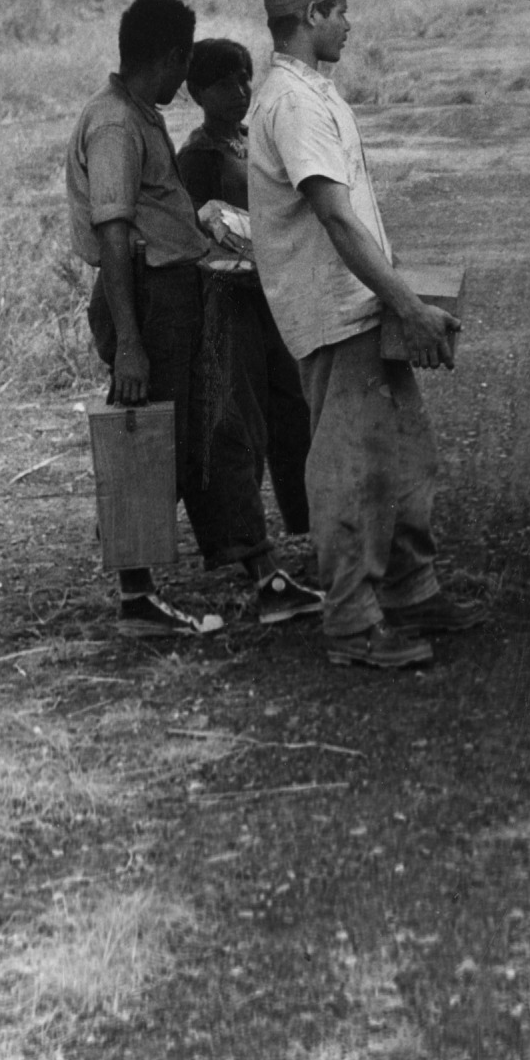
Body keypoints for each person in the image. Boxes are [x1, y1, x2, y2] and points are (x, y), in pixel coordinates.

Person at [247, 0, 488, 671]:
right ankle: (351, 623)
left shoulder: (310, 92)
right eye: (340, 11)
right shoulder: (294, 104)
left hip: (360, 305)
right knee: (354, 474)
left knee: (405, 456)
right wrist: (408, 306)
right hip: (338, 312)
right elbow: (335, 217)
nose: (349, 24)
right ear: (312, 15)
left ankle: (412, 590)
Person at [66, 0, 282, 636]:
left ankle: (261, 572)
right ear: (168, 58)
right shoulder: (114, 123)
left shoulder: (139, 113)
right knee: (145, 440)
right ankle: (137, 598)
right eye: (183, 64)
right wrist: (131, 344)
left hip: (178, 293)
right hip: (149, 299)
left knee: (211, 432)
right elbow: (113, 233)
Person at [177, 37, 321, 625]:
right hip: (226, 307)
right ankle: (260, 566)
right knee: (235, 425)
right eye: (223, 84)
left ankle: (317, 537)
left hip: (271, 299)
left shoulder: (249, 139)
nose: (239, 91)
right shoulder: (197, 158)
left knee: (294, 411)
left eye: (244, 78)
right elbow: (196, 237)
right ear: (196, 92)